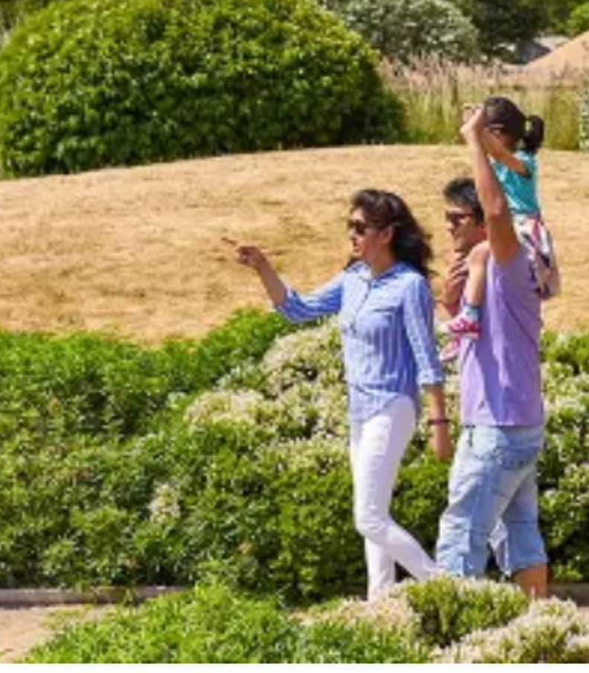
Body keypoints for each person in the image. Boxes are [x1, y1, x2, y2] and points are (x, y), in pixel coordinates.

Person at [228, 192, 446, 600]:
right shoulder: (352, 279)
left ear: (386, 234)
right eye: (350, 226)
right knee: (373, 516)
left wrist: (439, 423)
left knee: (369, 517)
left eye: (360, 228)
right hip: (359, 410)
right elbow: (297, 309)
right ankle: (381, 607)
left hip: (393, 405)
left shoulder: (409, 286)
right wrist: (263, 268)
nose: (352, 235)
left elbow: (426, 358)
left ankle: (444, 587)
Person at [434, 107, 550, 593]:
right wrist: (450, 302)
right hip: (512, 424)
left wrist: (474, 141)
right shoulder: (485, 274)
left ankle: (450, 628)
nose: (448, 227)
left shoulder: (509, 259)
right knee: (520, 538)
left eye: (457, 219)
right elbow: (472, 339)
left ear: (484, 223)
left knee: (461, 533)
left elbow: (500, 209)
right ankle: (542, 626)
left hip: (497, 428)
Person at [445, 97, 556, 340]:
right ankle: (462, 323)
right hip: (503, 225)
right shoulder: (494, 164)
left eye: (489, 131)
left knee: (479, 254)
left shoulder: (524, 161)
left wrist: (475, 133)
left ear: (499, 133)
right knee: (466, 261)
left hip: (521, 226)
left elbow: (497, 151)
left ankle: (470, 315)